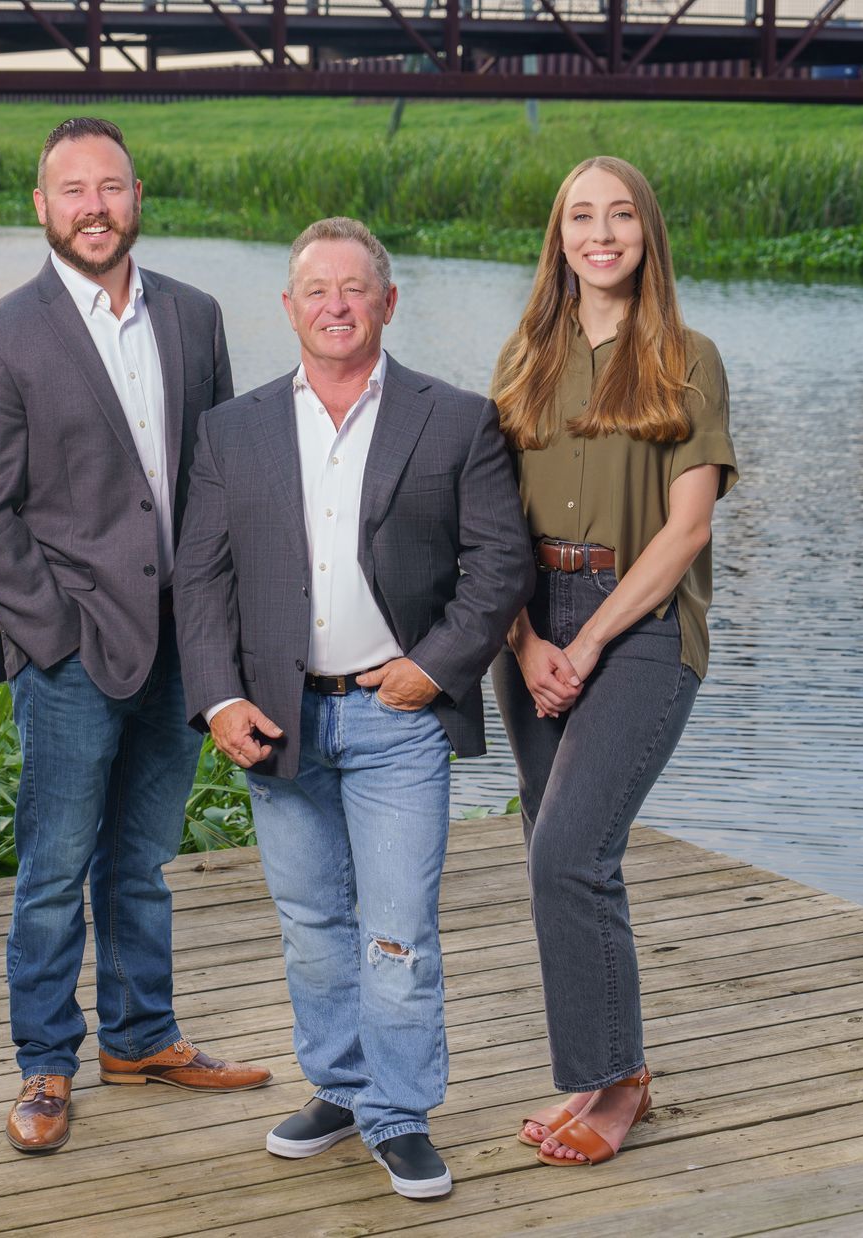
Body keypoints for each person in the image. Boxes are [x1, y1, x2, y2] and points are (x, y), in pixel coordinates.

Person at [174, 217, 533, 1200]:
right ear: (287, 308)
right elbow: (199, 582)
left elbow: (500, 561)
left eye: (354, 287)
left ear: (387, 302)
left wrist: (437, 664)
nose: (335, 304)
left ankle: (400, 1111)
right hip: (278, 718)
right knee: (310, 921)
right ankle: (339, 1085)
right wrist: (217, 696)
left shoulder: (455, 420)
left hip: (396, 716)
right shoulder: (232, 430)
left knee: (398, 929)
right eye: (315, 289)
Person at [0, 117, 270, 1156]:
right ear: (41, 207)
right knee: (52, 866)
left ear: (138, 196)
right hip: (72, 649)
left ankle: (141, 1034)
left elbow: (215, 484)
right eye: (71, 189)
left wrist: (220, 630)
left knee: (141, 859)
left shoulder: (196, 315)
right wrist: (52, 637)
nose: (94, 206)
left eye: (111, 187)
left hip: (185, 647)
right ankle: (45, 1060)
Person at [489, 155, 739, 1168]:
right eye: (581, 216)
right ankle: (608, 1070)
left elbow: (685, 530)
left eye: (621, 214)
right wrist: (525, 639)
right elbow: (488, 522)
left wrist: (586, 642)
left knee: (567, 853)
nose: (601, 233)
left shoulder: (688, 356)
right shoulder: (523, 360)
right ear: (559, 237)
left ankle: (618, 1083)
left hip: (637, 627)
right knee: (566, 852)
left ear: (647, 232)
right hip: (532, 622)